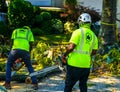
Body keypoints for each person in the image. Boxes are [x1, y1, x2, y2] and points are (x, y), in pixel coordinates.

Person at [62, 13, 98, 92]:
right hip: (86, 65)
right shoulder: (94, 36)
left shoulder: (77, 32)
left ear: (80, 22)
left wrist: (64, 55)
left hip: (74, 64)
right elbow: (94, 52)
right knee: (83, 84)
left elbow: (71, 47)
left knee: (69, 85)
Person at [3, 26, 38, 90]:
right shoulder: (29, 32)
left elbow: (11, 43)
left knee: (9, 64)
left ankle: (7, 83)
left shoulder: (15, 31)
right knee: (29, 66)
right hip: (25, 52)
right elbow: (31, 45)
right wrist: (28, 54)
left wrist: (11, 53)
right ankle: (35, 83)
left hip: (15, 51)